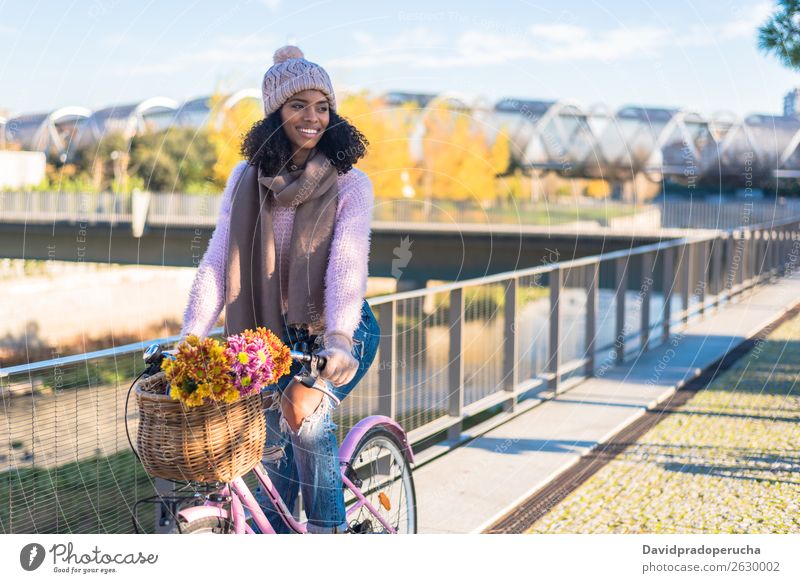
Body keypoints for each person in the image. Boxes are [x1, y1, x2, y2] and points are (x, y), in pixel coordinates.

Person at [179, 45, 380, 533]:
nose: (312, 118)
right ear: (275, 112)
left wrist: (337, 338)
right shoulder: (246, 180)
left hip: (337, 330)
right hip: (267, 338)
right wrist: (191, 334)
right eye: (298, 105)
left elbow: (346, 266)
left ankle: (329, 538)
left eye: (322, 106)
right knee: (271, 460)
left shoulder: (351, 184)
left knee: (306, 423)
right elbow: (218, 259)